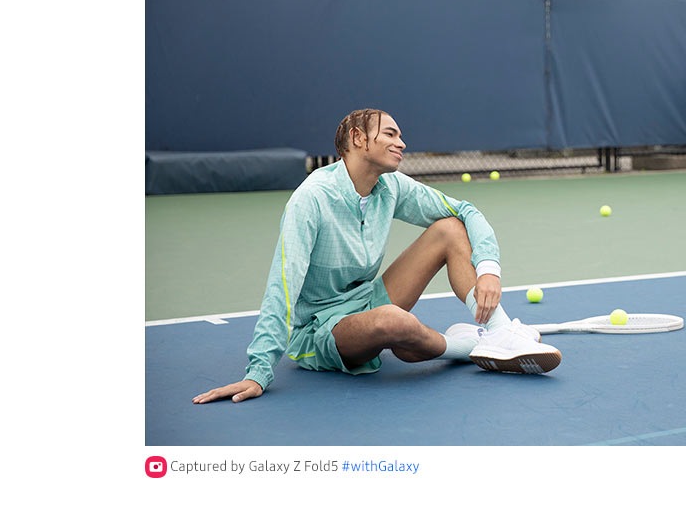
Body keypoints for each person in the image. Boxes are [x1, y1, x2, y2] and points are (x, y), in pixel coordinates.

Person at [194, 109, 560, 405]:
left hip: (367, 300)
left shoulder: (390, 186)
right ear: (357, 138)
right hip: (319, 330)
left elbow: (464, 211)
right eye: (390, 133)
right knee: (393, 322)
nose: (401, 142)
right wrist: (258, 372)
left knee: (448, 228)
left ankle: (498, 332)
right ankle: (467, 347)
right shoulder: (312, 199)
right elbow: (282, 286)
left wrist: (489, 270)